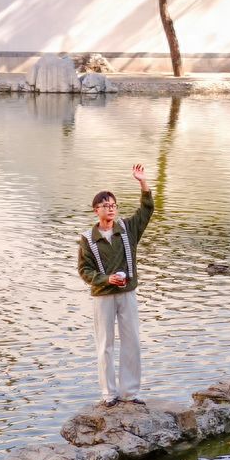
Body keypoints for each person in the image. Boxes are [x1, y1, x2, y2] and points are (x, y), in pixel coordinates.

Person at [77, 163, 154, 406]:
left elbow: (147, 209)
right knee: (105, 345)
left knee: (132, 341)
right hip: (102, 296)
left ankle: (130, 393)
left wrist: (142, 182)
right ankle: (109, 394)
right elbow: (84, 270)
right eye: (105, 205)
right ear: (96, 210)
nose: (110, 209)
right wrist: (106, 279)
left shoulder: (128, 228)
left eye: (113, 205)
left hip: (127, 293)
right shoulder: (88, 239)